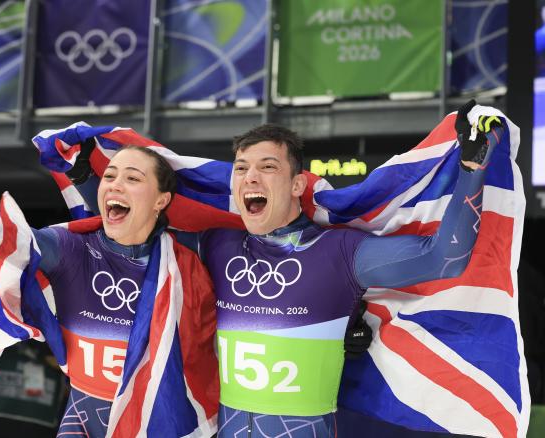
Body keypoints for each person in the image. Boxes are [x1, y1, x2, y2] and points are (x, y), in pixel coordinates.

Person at [59, 100, 503, 437]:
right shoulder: (214, 245)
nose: (250, 177)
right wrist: (89, 181)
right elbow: (132, 229)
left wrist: (471, 169)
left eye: (267, 167)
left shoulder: (342, 253)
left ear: (296, 185)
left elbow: (443, 258)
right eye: (241, 169)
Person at [0, 145, 220, 437]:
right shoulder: (73, 249)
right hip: (82, 420)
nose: (116, 184)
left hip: (158, 424)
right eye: (109, 176)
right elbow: (14, 243)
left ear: (161, 200)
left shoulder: (188, 262)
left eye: (133, 178)